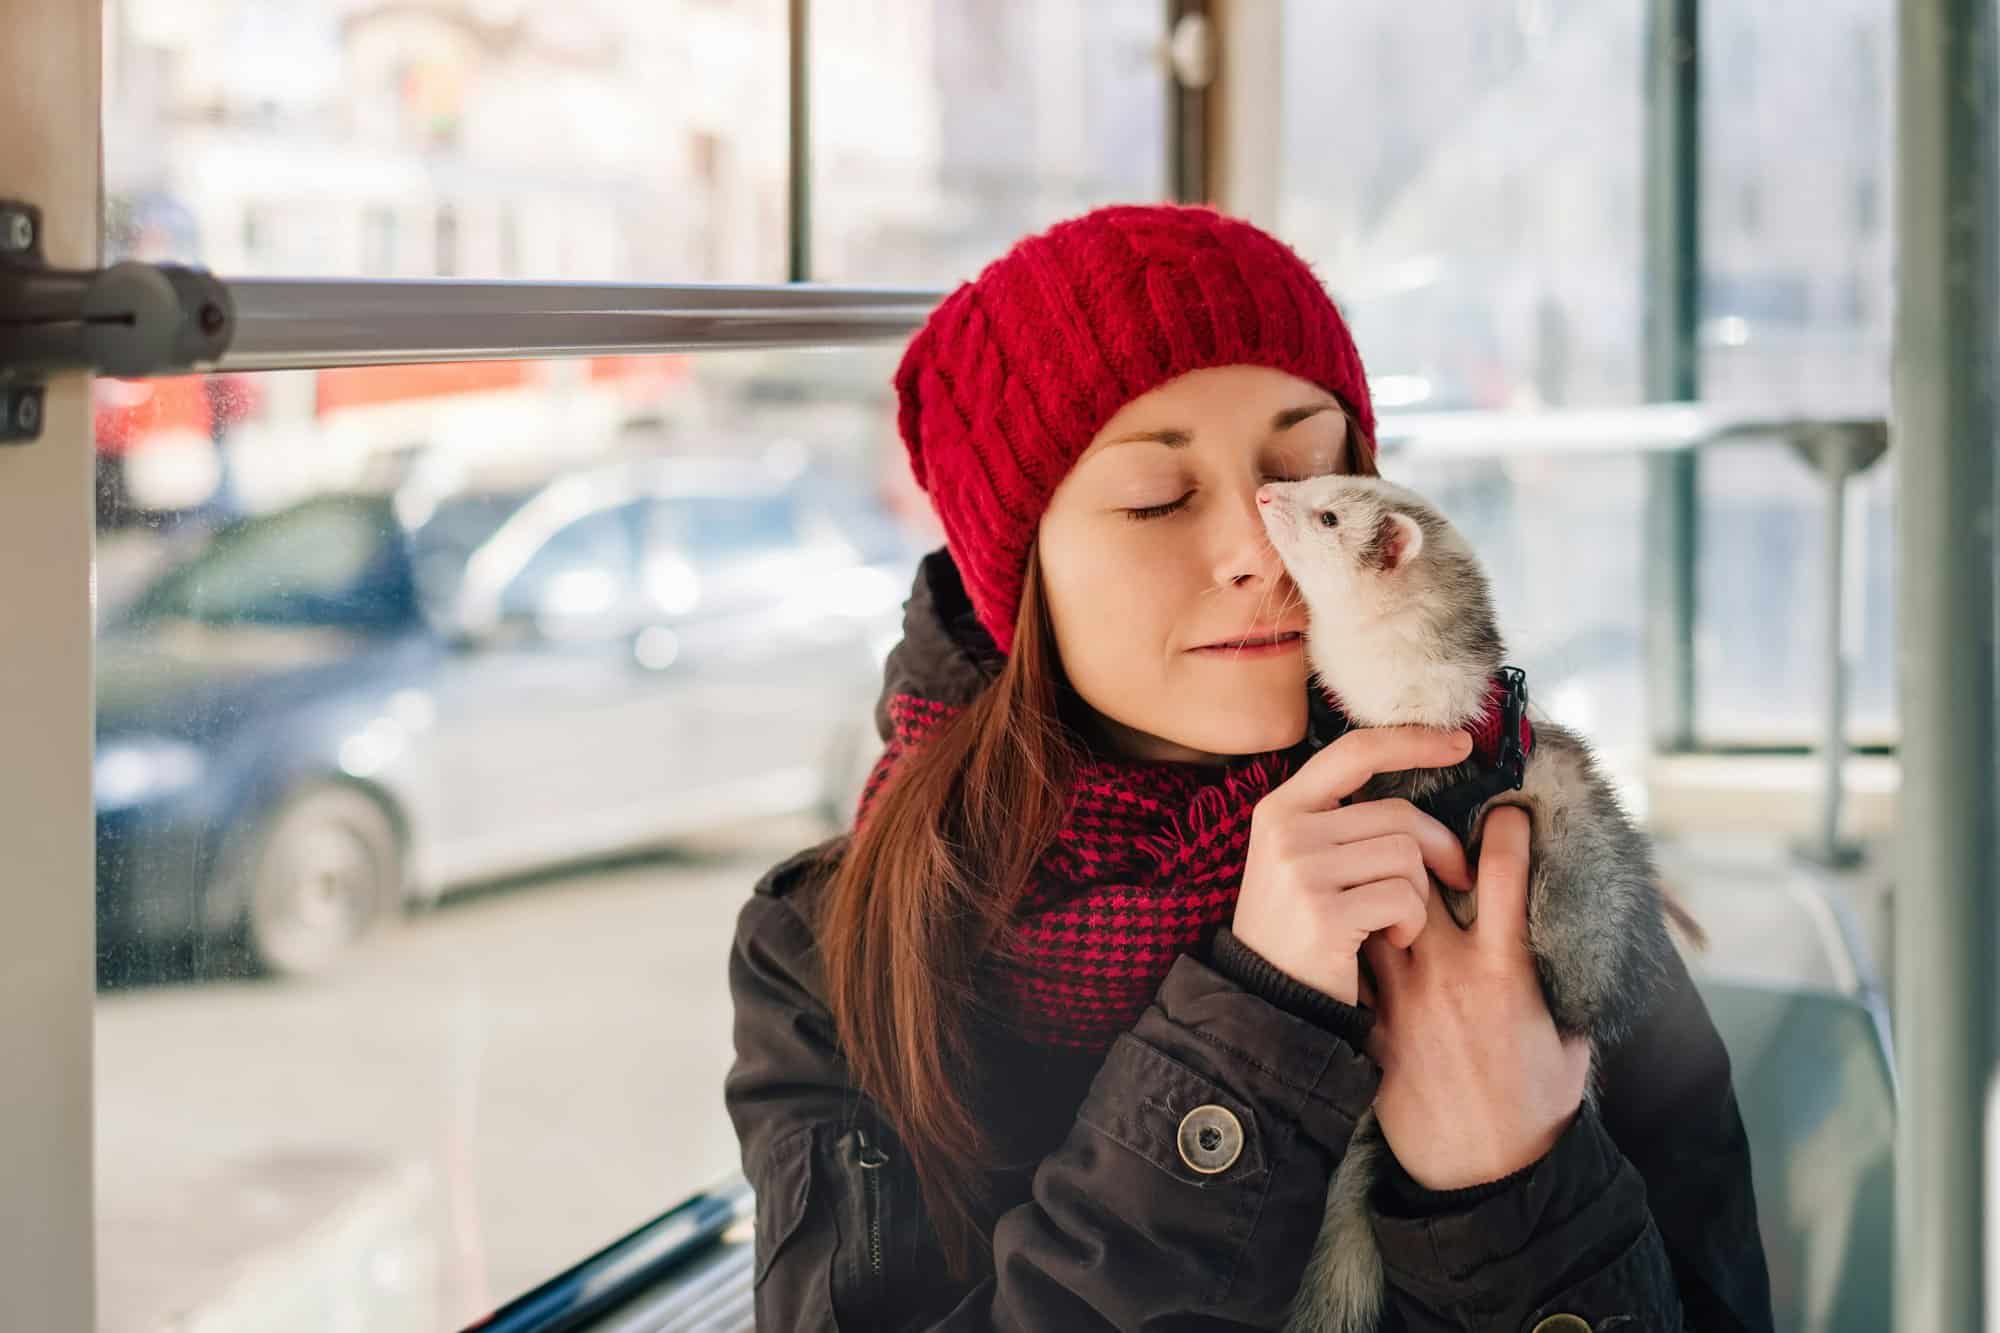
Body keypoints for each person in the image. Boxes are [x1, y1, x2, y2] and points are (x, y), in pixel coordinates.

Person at [725, 204, 1772, 1331]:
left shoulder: (1532, 844)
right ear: (1016, 576)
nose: (1254, 550)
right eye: (1154, 499)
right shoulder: (836, 945)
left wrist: (1510, 1185)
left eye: (1302, 466)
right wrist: (1248, 1033)